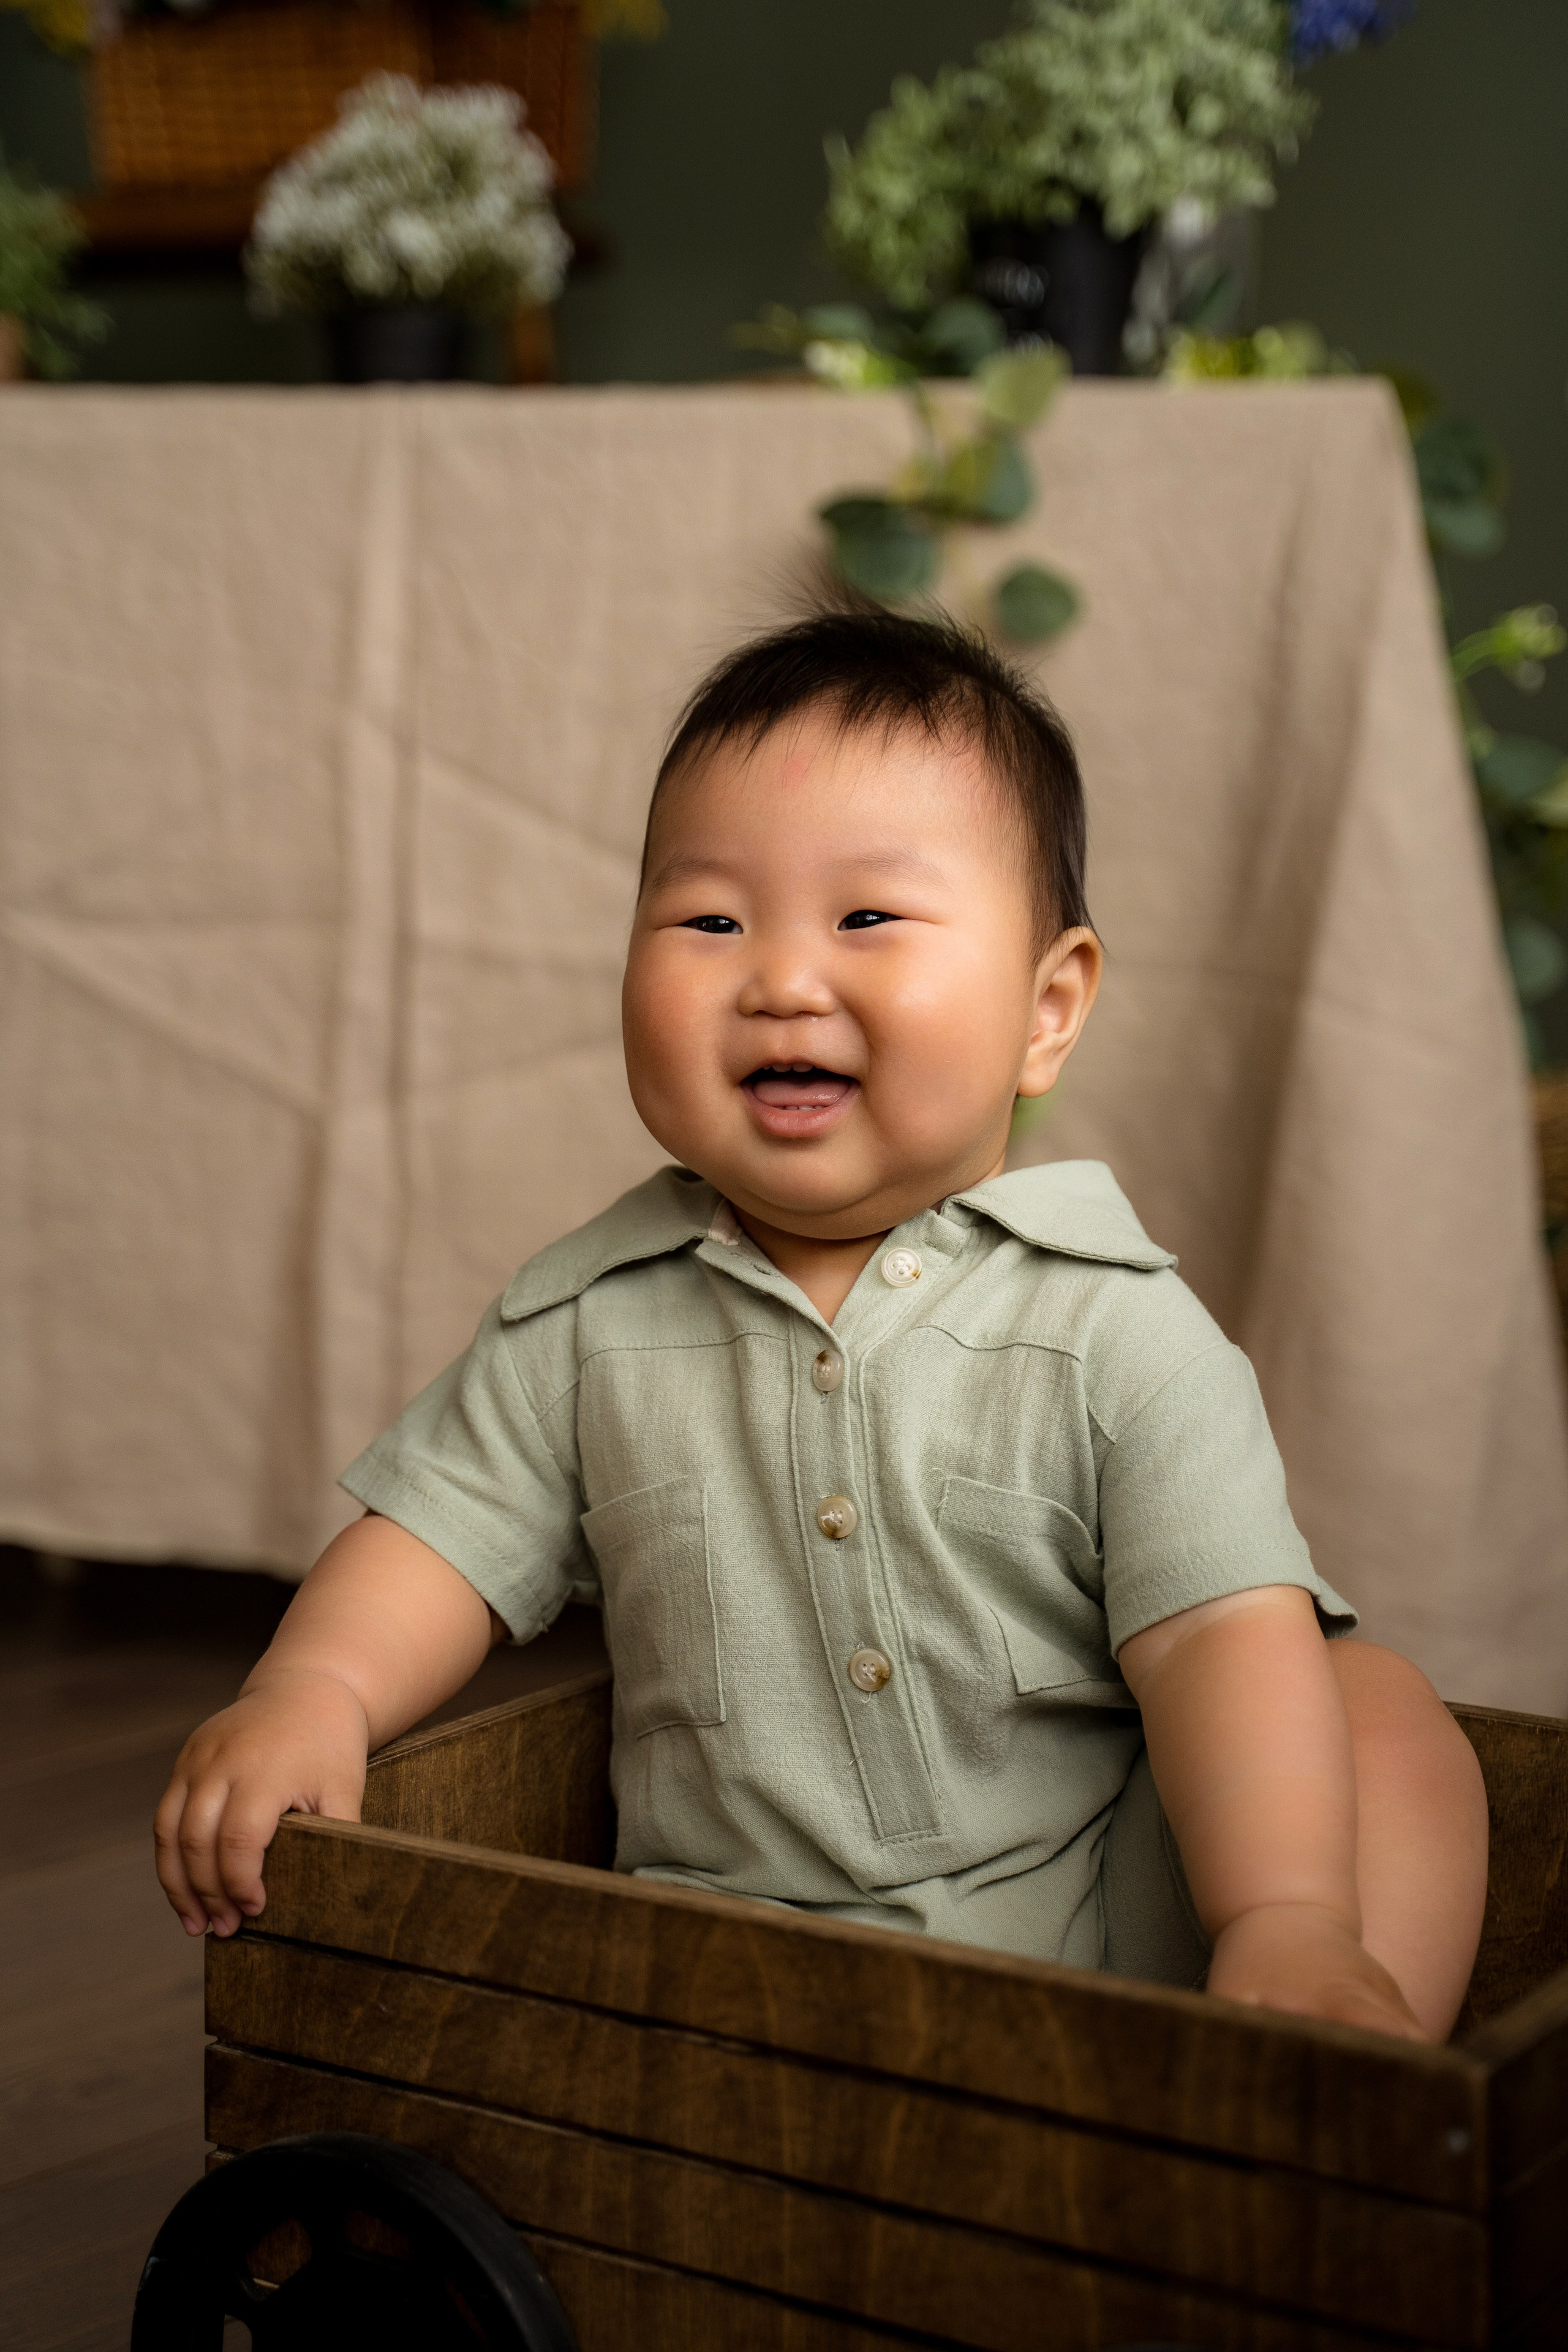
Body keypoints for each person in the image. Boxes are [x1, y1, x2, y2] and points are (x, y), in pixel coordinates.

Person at [155, 611, 1488, 2039]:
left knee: (1367, 1704)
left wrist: (1280, 1909)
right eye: (708, 922)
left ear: (1045, 1009)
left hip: (1112, 1946)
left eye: (865, 920)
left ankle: (1321, 2058)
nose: (782, 981)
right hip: (725, 1968)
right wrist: (310, 1692)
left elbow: (1217, 1640)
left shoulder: (1115, 1330)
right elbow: (435, 1540)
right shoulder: (588, 1322)